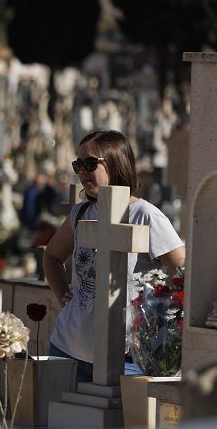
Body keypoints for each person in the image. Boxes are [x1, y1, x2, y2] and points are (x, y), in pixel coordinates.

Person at [43, 130, 186, 383]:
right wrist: (63, 296)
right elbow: (52, 256)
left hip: (125, 355)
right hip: (69, 347)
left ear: (116, 163)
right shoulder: (81, 213)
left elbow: (183, 273)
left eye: (90, 164)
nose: (83, 171)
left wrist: (158, 320)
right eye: (79, 165)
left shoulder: (144, 215)